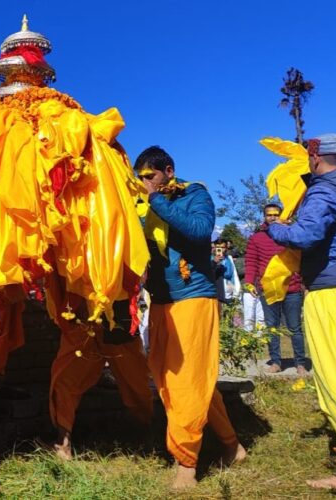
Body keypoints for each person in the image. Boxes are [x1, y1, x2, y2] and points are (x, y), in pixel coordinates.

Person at [134, 146, 245, 490]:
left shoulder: (195, 193)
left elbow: (200, 230)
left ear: (168, 170)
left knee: (185, 382)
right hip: (162, 301)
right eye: (141, 180)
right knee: (176, 380)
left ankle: (187, 462)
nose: (145, 184)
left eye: (150, 177)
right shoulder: (145, 203)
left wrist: (158, 202)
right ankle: (231, 446)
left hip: (194, 298)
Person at [266, 133, 336, 496]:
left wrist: (274, 227)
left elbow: (307, 234)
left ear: (315, 157)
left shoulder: (324, 190)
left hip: (333, 294)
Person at [47, 275, 153, 461]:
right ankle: (63, 441)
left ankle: (148, 428)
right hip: (80, 315)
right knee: (66, 376)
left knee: (135, 379)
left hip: (116, 312)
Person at [245, 203, 307, 375]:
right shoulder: (256, 238)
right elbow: (251, 261)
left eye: (275, 214)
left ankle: (300, 362)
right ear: (264, 217)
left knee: (295, 328)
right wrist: (249, 282)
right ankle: (276, 362)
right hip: (268, 289)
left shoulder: (293, 235)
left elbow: (303, 261)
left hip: (292, 288)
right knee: (271, 327)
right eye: (268, 215)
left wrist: (305, 283)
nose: (272, 217)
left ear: (282, 214)